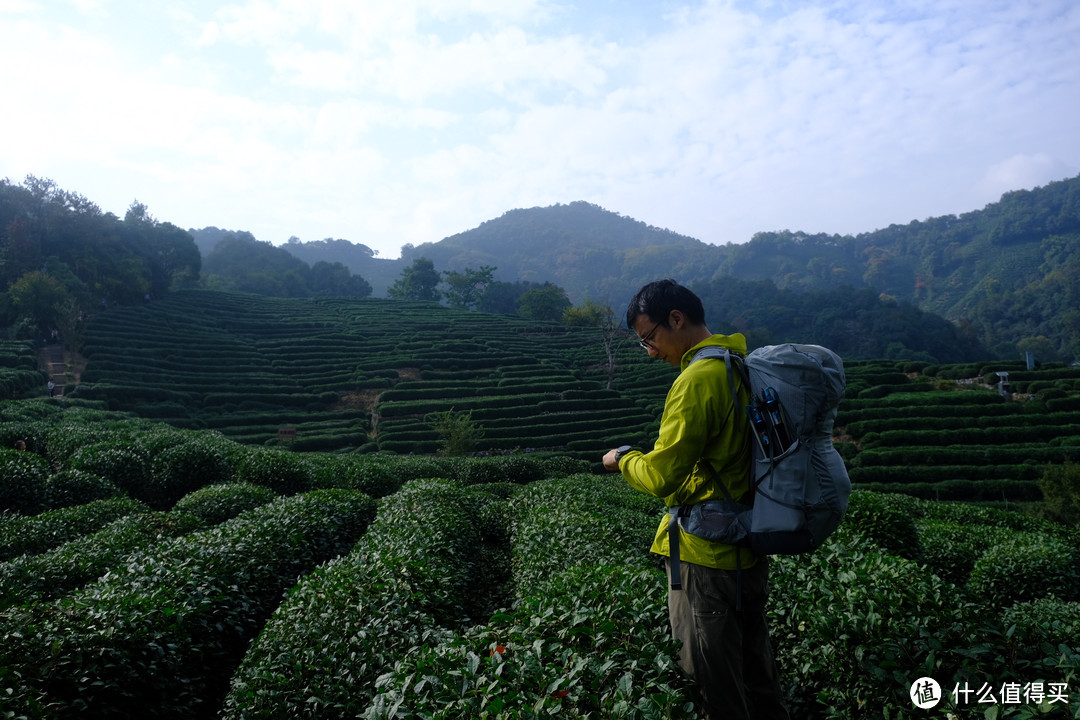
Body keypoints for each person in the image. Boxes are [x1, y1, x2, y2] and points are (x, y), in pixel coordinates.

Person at [602, 279, 788, 720]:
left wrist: (623, 459)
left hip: (706, 557)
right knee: (756, 672)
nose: (650, 351)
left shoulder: (697, 380)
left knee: (713, 680)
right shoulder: (739, 364)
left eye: (650, 338)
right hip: (749, 543)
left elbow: (663, 477)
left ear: (677, 319)